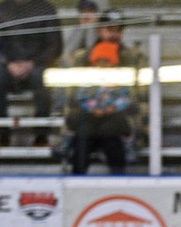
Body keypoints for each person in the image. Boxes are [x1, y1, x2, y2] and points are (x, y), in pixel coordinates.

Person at [0, 0, 62, 147]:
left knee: (42, 80)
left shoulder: (46, 8)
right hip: (9, 66)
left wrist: (33, 63)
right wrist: (8, 63)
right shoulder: (1, 10)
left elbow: (55, 45)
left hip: (38, 66)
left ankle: (41, 135)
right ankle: (2, 134)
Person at [60, 11, 143, 175]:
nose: (114, 34)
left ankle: (118, 178)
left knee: (109, 131)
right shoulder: (80, 58)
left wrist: (141, 134)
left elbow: (139, 99)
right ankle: (77, 178)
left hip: (117, 119)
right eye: (109, 29)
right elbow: (73, 99)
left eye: (118, 30)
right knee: (84, 132)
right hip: (89, 117)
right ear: (99, 30)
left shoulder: (135, 58)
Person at [61, 0, 107, 64]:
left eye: (91, 11)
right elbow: (66, 58)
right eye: (83, 11)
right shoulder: (70, 33)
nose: (86, 15)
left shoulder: (108, 34)